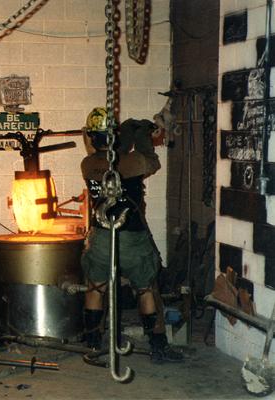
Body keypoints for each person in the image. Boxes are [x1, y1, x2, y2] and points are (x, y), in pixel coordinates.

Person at [80, 107, 183, 363]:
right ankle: (158, 346)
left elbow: (107, 153)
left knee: (95, 287)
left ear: (91, 137)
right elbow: (152, 160)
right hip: (132, 237)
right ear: (113, 136)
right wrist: (144, 134)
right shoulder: (134, 162)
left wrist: (124, 131)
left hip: (101, 236)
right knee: (146, 289)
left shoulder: (88, 164)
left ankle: (92, 342)